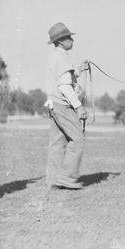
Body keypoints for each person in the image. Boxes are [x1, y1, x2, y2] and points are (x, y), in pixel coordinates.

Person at [44, 22, 89, 189]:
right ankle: (66, 178)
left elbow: (61, 78)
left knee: (57, 142)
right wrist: (78, 106)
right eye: (69, 37)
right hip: (63, 105)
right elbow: (64, 86)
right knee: (77, 140)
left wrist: (78, 70)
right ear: (61, 41)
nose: (72, 40)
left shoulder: (54, 56)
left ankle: (52, 180)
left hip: (53, 105)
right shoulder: (62, 58)